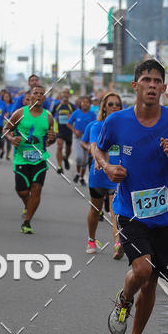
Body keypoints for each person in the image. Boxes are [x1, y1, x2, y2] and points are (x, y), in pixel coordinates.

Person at [95, 60, 168, 334]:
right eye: (147, 80)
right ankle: (125, 298)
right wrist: (108, 167)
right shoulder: (117, 121)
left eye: (157, 81)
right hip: (129, 211)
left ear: (164, 89)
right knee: (142, 267)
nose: (152, 86)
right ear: (136, 85)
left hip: (164, 215)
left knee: (151, 283)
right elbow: (98, 150)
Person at [3, 85, 56, 234]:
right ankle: (28, 205)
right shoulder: (19, 113)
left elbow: (50, 140)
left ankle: (27, 221)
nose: (38, 95)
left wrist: (52, 139)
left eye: (41, 94)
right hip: (21, 159)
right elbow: (6, 129)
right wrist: (11, 138)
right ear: (30, 97)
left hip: (39, 160)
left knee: (37, 188)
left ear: (44, 98)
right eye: (35, 93)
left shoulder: (49, 117)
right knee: (22, 191)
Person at [83, 92, 123, 256]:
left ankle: (117, 244)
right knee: (95, 210)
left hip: (117, 176)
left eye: (117, 105)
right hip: (99, 174)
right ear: (104, 108)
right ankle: (91, 239)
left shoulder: (125, 127)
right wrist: (99, 161)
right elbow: (93, 146)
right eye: (111, 104)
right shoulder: (97, 126)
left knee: (116, 211)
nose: (114, 107)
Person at [68, 96, 96, 185]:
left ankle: (81, 177)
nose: (85, 104)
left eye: (87, 102)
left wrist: (91, 137)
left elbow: (94, 126)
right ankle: (77, 172)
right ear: (80, 103)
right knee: (79, 157)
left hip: (87, 139)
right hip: (78, 138)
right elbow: (69, 123)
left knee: (85, 159)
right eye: (83, 102)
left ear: (90, 104)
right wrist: (74, 130)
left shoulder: (92, 114)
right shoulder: (76, 113)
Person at [51, 88, 75, 174]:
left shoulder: (72, 106)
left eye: (67, 93)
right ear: (61, 94)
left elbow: (76, 117)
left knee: (68, 149)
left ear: (69, 95)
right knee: (59, 146)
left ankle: (66, 158)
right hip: (59, 130)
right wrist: (50, 127)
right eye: (64, 92)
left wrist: (71, 117)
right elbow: (51, 115)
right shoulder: (56, 105)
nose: (65, 94)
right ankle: (60, 166)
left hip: (68, 131)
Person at [1, 90, 15, 160]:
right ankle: (2, 150)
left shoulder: (13, 105)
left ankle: (8, 154)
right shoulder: (1, 104)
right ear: (3, 98)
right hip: (1, 124)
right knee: (1, 141)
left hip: (9, 125)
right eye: (5, 97)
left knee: (9, 142)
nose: (6, 98)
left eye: (8, 97)